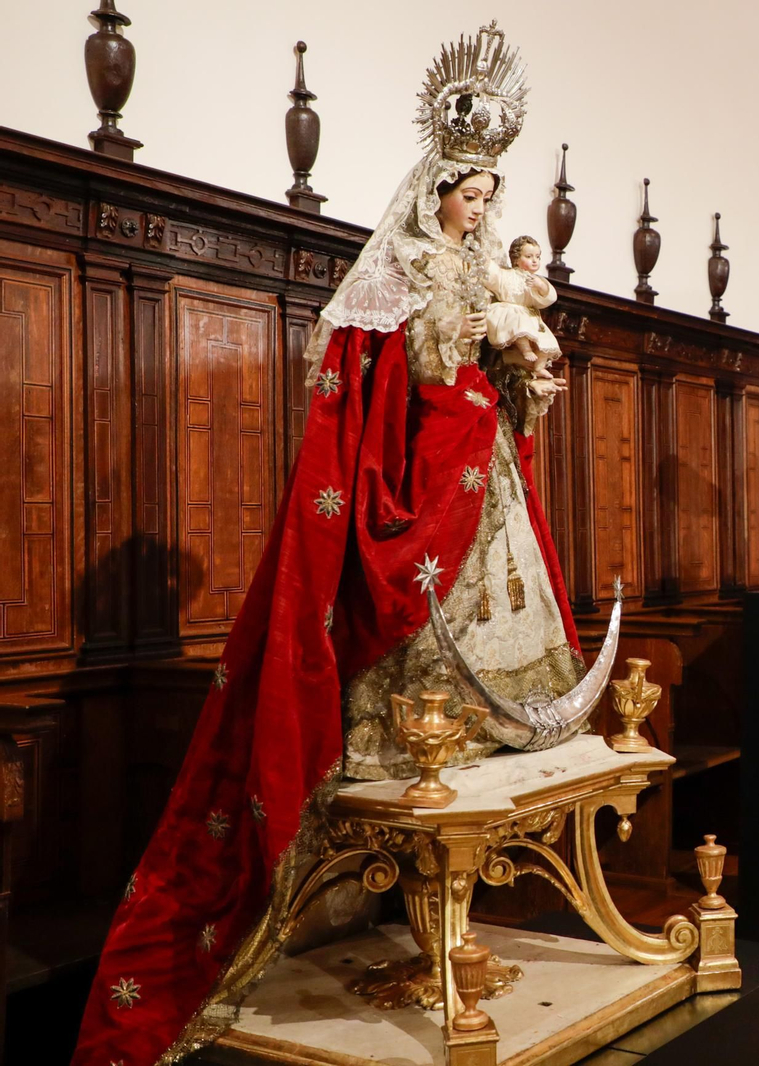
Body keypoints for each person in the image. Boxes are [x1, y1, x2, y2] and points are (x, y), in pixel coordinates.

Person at [71, 24, 580, 1066]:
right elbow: (398, 386)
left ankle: (469, 800)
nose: (480, 210)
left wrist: (527, 373)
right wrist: (473, 336)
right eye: (468, 193)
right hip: (428, 491)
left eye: (490, 197)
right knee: (420, 652)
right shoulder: (397, 266)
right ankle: (407, 744)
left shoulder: (483, 265)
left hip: (487, 490)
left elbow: (495, 382)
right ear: (436, 181)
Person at [486, 234, 563, 385]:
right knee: (519, 324)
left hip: (529, 315)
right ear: (516, 259)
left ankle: (539, 366)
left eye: (538, 257)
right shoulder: (506, 275)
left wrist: (541, 286)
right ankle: (526, 350)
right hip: (510, 312)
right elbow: (492, 275)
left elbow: (550, 297)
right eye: (529, 256)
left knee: (546, 340)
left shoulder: (536, 280)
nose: (535, 260)